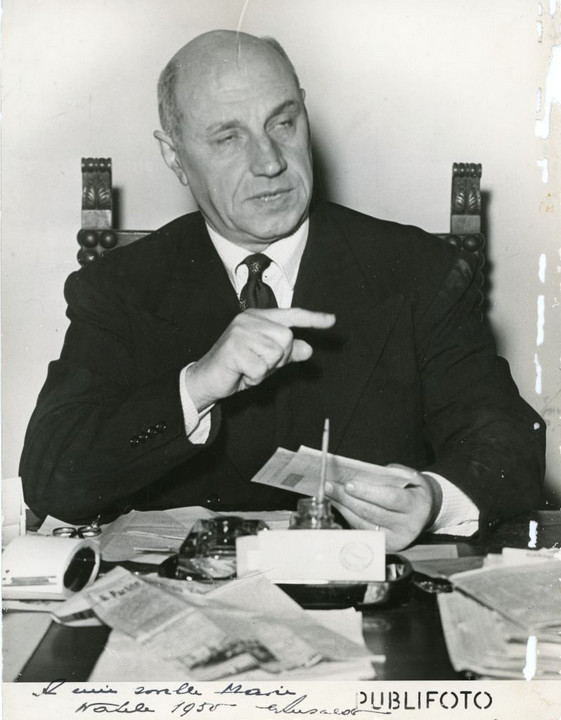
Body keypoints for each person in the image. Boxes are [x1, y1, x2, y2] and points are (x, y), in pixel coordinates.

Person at [20, 30, 545, 551]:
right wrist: (195, 387)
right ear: (174, 156)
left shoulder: (420, 271)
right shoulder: (120, 286)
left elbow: (510, 442)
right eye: (228, 138)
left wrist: (433, 499)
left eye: (283, 122)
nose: (269, 161)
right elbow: (51, 478)